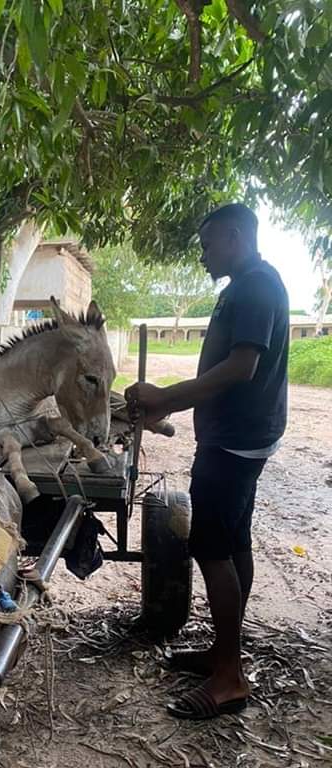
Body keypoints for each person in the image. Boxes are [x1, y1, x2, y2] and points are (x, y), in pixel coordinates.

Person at [125, 203, 289, 720]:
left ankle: (229, 679)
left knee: (211, 548)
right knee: (233, 541)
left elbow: (241, 368)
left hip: (234, 440)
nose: (203, 255)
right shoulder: (245, 286)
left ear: (236, 237)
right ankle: (225, 653)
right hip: (238, 435)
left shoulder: (255, 286)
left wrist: (164, 399)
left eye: (209, 244)